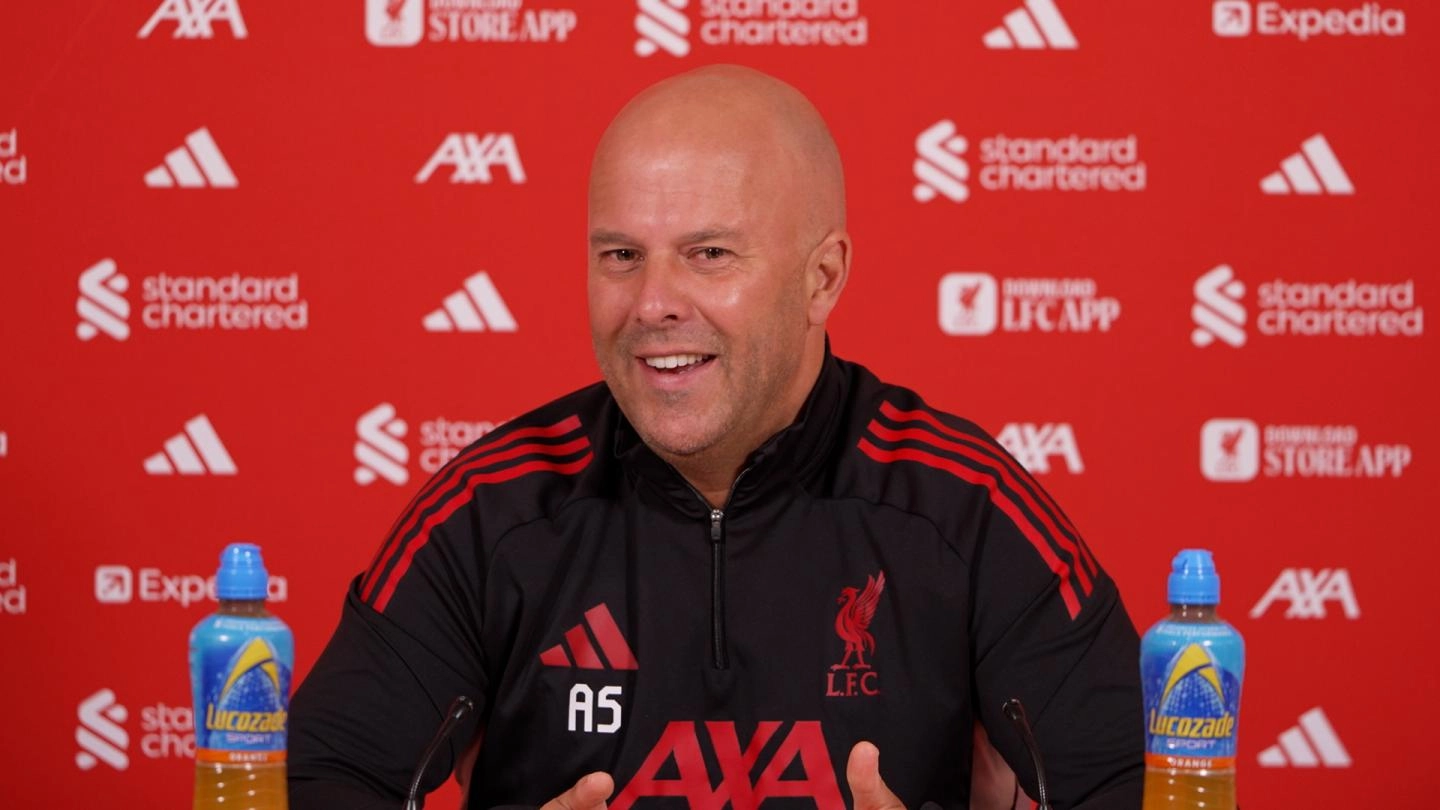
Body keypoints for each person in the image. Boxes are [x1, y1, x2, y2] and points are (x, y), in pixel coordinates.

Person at [289, 65, 1143, 809]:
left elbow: (1140, 783)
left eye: (709, 254)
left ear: (823, 278)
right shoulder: (490, 513)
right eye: (621, 256)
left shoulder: (966, 509)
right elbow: (319, 779)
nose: (653, 303)